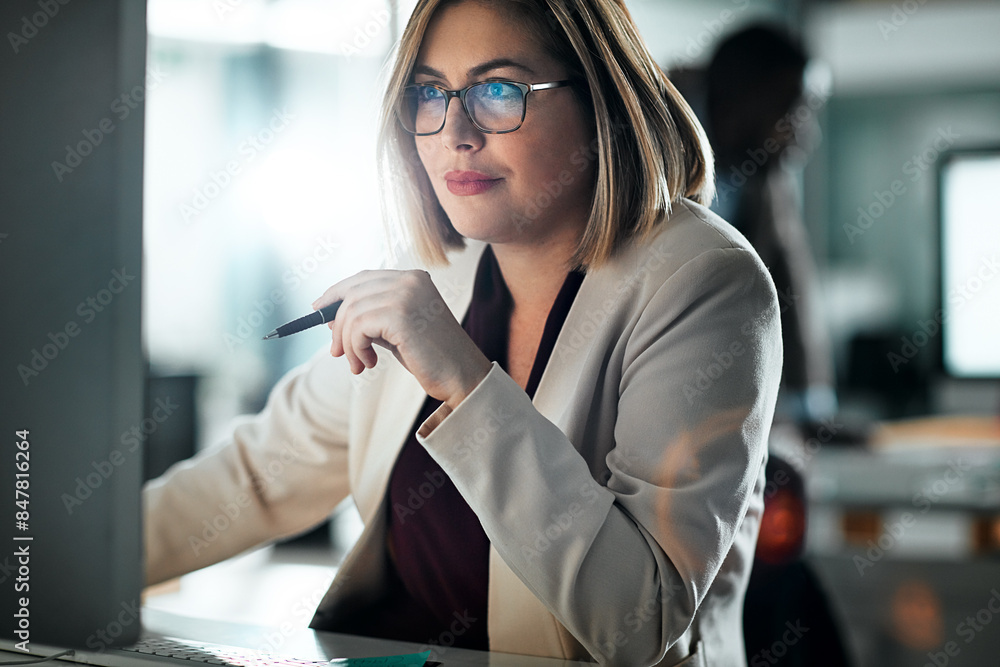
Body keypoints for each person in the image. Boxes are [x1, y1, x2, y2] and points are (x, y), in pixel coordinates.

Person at [144, 1, 782, 665]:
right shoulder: (432, 272)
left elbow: (641, 621)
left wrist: (465, 381)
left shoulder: (703, 281)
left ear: (603, 102)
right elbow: (254, 477)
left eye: (498, 90)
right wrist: (44, 564)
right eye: (429, 93)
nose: (455, 131)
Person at [701, 24, 836, 424]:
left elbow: (791, 294)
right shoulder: (656, 173)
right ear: (738, 102)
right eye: (794, 110)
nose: (806, 135)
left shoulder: (764, 178)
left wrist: (812, 412)